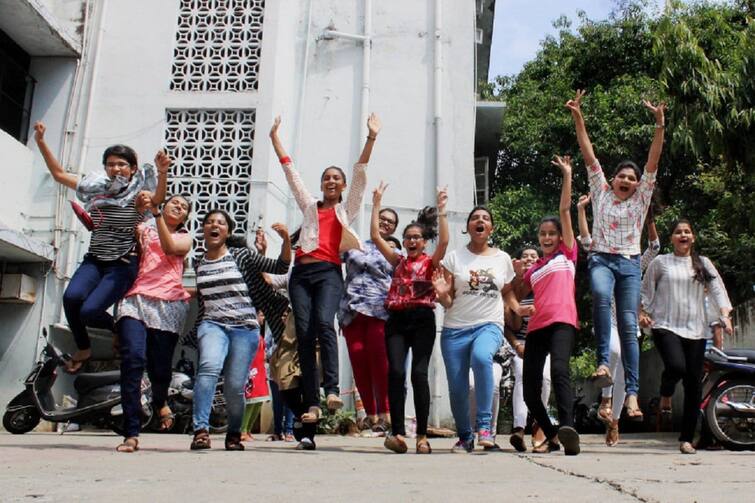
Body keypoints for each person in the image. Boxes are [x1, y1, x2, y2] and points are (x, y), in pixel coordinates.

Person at [269, 114, 381, 422]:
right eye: (326, 178)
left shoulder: (347, 209)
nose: (330, 181)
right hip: (301, 276)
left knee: (323, 323)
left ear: (342, 186)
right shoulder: (308, 207)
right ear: (322, 184)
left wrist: (371, 137)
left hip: (329, 273)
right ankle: (313, 401)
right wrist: (275, 138)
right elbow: (291, 174)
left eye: (336, 178)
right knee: (303, 334)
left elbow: (360, 175)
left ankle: (331, 388)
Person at [34, 121, 167, 373]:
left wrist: (162, 173)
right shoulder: (96, 188)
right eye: (111, 164)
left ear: (132, 168)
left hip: (122, 264)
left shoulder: (138, 194)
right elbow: (60, 175)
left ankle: (118, 329)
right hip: (95, 258)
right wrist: (41, 141)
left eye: (122, 164)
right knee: (71, 298)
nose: (116, 168)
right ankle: (84, 348)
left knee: (90, 310)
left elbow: (157, 200)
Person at [567, 90, 667, 420]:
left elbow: (653, 160)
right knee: (597, 292)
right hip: (601, 259)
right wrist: (578, 116)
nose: (627, 180)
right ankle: (600, 362)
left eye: (632, 178)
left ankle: (634, 396)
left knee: (628, 327)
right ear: (612, 180)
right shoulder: (600, 191)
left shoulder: (641, 199)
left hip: (628, 263)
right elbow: (587, 151)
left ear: (639, 185)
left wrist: (659, 124)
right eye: (622, 176)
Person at [190, 209, 291, 451]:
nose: (215, 225)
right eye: (210, 222)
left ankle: (234, 432)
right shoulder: (199, 262)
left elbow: (281, 265)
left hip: (244, 328)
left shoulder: (241, 256)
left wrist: (286, 240)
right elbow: (203, 301)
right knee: (208, 368)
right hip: (212, 325)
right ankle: (201, 430)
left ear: (227, 232)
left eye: (221, 223)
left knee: (235, 386)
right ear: (204, 229)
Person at [432, 206, 527, 453]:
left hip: (489, 324)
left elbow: (506, 292)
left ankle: (485, 427)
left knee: (482, 357)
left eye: (485, 218)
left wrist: (519, 309)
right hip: (454, 329)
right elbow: (448, 301)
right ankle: (465, 437)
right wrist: (442, 294)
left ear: (491, 228)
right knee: (457, 387)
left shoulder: (502, 258)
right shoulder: (454, 258)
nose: (480, 221)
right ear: (468, 227)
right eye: (475, 218)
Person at [640, 219, 733, 454]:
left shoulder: (703, 263)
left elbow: (717, 289)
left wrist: (724, 314)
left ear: (693, 237)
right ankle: (666, 393)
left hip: (696, 328)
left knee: (693, 384)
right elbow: (646, 288)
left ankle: (686, 439)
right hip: (665, 324)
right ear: (671, 238)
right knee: (676, 366)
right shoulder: (661, 262)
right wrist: (643, 312)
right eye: (678, 232)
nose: (683, 235)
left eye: (687, 232)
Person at [577, 194, 661, 445]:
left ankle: (613, 420)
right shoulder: (600, 253)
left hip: (628, 324)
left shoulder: (633, 261)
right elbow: (585, 240)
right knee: (612, 351)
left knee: (625, 374)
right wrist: (582, 210)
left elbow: (654, 248)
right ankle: (605, 398)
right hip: (607, 323)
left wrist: (649, 220)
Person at [371, 181, 449, 454]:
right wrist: (377, 203)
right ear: (404, 243)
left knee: (418, 374)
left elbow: (446, 241)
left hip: (422, 319)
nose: (412, 241)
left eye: (417, 237)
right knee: (395, 372)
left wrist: (441, 211)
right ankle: (398, 433)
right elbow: (376, 237)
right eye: (408, 238)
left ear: (424, 242)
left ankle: (423, 436)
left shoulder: (431, 262)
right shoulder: (397, 261)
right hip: (397, 320)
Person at [114, 194, 192, 452]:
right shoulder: (144, 229)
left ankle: (159, 401)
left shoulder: (184, 237)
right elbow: (123, 227)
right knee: (133, 360)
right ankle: (131, 432)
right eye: (174, 203)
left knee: (160, 370)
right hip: (136, 298)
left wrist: (157, 215)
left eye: (183, 207)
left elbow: (170, 249)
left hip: (168, 303)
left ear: (185, 217)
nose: (178, 207)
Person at [518, 155, 579, 455]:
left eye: (551, 233)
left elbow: (564, 210)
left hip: (563, 321)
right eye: (542, 234)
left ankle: (568, 429)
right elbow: (509, 292)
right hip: (536, 327)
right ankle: (552, 434)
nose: (546, 237)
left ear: (560, 237)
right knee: (530, 390)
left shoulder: (567, 255)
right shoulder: (533, 269)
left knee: (559, 371)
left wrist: (567, 176)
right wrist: (516, 308)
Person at [338, 205, 399, 433]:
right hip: (351, 310)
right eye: (381, 218)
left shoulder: (395, 252)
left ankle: (386, 414)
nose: (384, 223)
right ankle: (371, 417)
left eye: (390, 222)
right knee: (359, 364)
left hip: (379, 312)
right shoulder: (356, 246)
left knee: (380, 365)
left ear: (394, 228)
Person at [503, 247, 550, 452]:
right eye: (525, 256)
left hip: (541, 343)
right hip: (518, 344)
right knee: (523, 375)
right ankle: (519, 428)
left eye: (533, 256)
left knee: (545, 378)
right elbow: (510, 326)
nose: (529, 259)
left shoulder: (544, 285)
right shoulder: (512, 287)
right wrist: (516, 345)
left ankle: (540, 425)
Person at [241, 333, 270, 442]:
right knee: (250, 401)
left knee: (259, 401)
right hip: (251, 370)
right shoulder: (249, 334)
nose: (263, 318)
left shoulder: (260, 335)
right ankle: (242, 430)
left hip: (261, 369)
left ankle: (248, 430)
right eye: (261, 315)